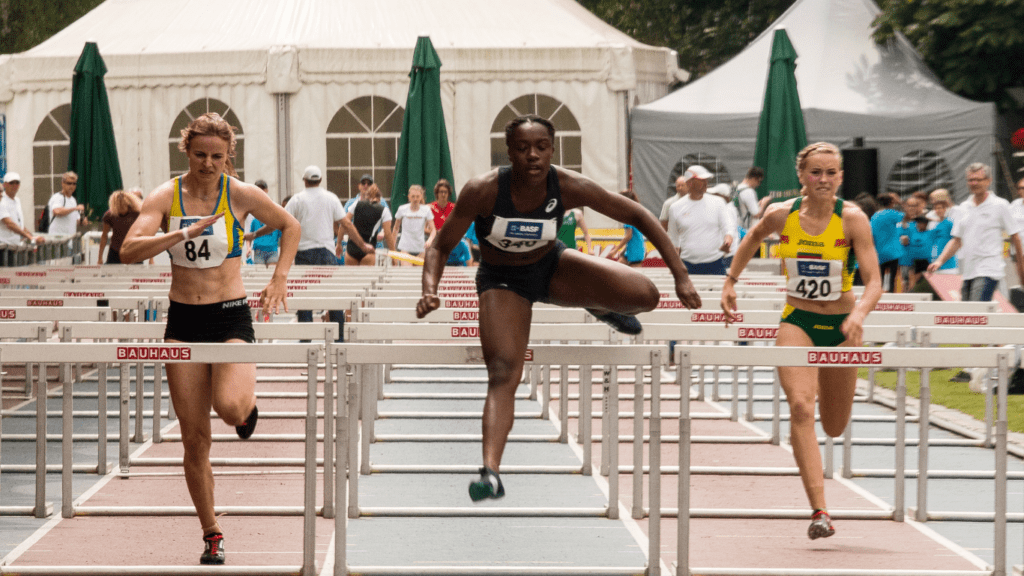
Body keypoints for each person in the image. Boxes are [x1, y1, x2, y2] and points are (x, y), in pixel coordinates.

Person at [416, 114, 701, 502]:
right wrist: (430, 289)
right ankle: (490, 472)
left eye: (542, 147)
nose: (533, 155)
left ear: (553, 149)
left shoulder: (567, 185)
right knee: (503, 372)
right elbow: (439, 246)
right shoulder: (482, 190)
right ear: (509, 151)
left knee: (646, 295)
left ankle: (598, 303)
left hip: (553, 268)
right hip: (503, 282)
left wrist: (680, 275)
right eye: (522, 148)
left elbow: (637, 214)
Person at [119, 112, 300, 565]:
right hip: (183, 320)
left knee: (231, 408)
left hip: (230, 316)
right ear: (186, 151)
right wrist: (178, 232)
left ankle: (246, 408)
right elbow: (128, 252)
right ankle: (211, 531)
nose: (208, 163)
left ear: (228, 156)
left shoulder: (239, 194)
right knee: (194, 440)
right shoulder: (166, 196)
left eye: (217, 156)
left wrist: (279, 279)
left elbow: (290, 226)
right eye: (200, 154)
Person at [721, 141, 882, 541]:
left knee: (835, 424)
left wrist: (859, 314)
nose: (823, 180)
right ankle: (820, 511)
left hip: (843, 326)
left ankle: (830, 389)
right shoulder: (781, 214)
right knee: (799, 408)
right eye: (816, 172)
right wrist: (730, 281)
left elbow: (875, 280)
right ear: (802, 176)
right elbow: (751, 238)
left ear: (841, 177)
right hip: (797, 320)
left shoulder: (853, 219)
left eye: (831, 173)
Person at [286, 166, 363, 338]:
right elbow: (347, 224)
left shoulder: (297, 199)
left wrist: (255, 234)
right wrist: (362, 245)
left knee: (304, 298)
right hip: (326, 251)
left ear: (304, 181)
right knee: (333, 296)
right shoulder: (331, 198)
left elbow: (282, 222)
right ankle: (339, 339)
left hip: (304, 252)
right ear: (320, 180)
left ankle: (306, 340)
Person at [927, 163, 1024, 301]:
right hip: (968, 271)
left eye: (978, 179)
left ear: (988, 181)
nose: (974, 183)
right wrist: (940, 261)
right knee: (969, 314)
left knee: (975, 311)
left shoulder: (1000, 205)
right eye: (970, 180)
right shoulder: (963, 208)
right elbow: (956, 240)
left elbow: (1015, 237)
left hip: (989, 269)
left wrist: (1020, 267)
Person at [666, 167, 732, 275]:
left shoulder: (718, 203)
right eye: (701, 180)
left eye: (706, 180)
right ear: (690, 183)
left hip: (716, 264)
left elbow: (727, 227)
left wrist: (728, 241)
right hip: (687, 265)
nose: (706, 183)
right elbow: (674, 239)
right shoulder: (675, 207)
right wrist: (674, 266)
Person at [344, 183, 395, 265]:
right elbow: (388, 235)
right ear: (379, 198)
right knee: (367, 277)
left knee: (351, 277)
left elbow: (344, 223)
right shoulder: (383, 210)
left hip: (352, 249)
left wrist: (339, 242)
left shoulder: (356, 204)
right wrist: (393, 256)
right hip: (369, 249)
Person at [0, 172, 45, 263]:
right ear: (5, 185)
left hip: (15, 247)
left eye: (17, 183)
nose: (15, 185)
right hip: (4, 247)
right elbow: (10, 224)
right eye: (11, 183)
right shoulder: (2, 201)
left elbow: (19, 224)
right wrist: (30, 237)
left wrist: (33, 237)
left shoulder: (17, 200)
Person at [97, 189, 143, 264]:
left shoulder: (136, 214)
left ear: (128, 203)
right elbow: (104, 236)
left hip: (133, 250)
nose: (121, 208)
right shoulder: (110, 215)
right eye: (119, 206)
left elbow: (145, 234)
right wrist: (100, 258)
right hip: (115, 251)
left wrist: (151, 258)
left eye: (124, 206)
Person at [244, 180, 282, 267]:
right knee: (259, 273)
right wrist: (248, 247)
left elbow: (282, 235)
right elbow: (249, 233)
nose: (260, 191)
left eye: (262, 189)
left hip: (272, 250)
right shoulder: (250, 212)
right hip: (258, 250)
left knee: (271, 273)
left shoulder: (275, 215)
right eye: (257, 188)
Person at [393, 184, 436, 263]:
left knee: (419, 274)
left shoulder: (426, 210)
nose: (415, 199)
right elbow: (396, 228)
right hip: (405, 248)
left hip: (421, 248)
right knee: (407, 273)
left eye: (417, 196)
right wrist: (393, 245)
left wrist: (429, 240)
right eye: (413, 196)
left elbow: (433, 230)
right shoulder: (402, 209)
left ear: (421, 197)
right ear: (409, 197)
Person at [870, 192, 903, 292]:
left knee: (880, 279)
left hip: (879, 251)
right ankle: (891, 298)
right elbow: (908, 216)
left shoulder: (875, 216)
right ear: (892, 202)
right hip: (893, 252)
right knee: (893, 279)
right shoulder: (892, 213)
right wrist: (900, 202)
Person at [47, 171, 89, 236]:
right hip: (57, 241)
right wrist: (75, 208)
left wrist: (82, 221)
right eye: (69, 183)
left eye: (74, 184)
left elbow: (74, 221)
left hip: (69, 241)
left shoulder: (73, 200)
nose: (72, 186)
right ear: (62, 184)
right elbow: (56, 211)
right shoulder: (58, 197)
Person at [611, 190, 646, 266]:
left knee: (623, 272)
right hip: (636, 248)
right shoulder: (635, 212)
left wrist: (615, 249)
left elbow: (628, 236)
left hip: (634, 251)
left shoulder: (629, 215)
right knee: (619, 269)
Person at [734, 166, 764, 231]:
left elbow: (744, 207)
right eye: (759, 181)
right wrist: (764, 203)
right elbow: (756, 214)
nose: (758, 185)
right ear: (754, 179)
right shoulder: (748, 192)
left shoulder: (737, 188)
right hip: (744, 231)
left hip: (736, 227)